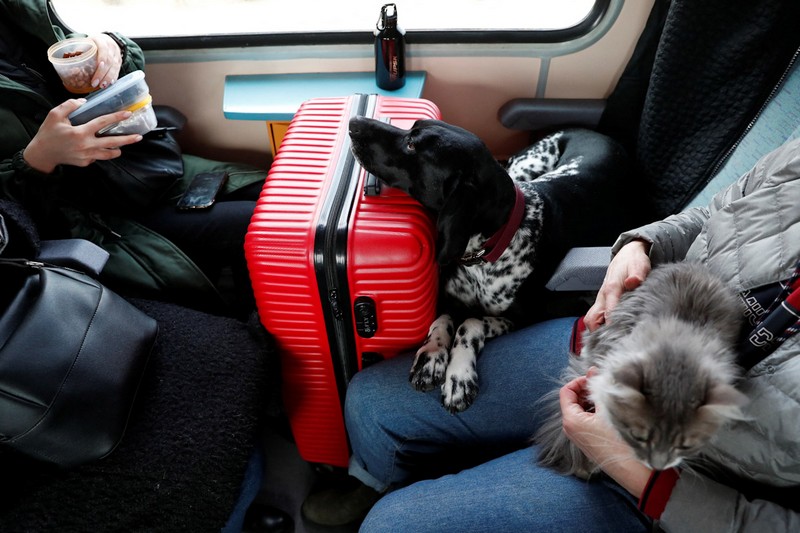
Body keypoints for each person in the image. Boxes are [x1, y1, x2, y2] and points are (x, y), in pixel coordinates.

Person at [301, 136, 800, 530]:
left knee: (391, 527)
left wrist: (646, 479)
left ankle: (424, 497)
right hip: (631, 340)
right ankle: (387, 482)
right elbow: (718, 214)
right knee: (369, 403)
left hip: (692, 478)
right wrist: (641, 244)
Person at [0, 0, 266, 317]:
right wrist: (37, 159)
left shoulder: (18, 12)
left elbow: (87, 66)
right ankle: (272, 333)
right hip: (83, 215)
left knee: (280, 196)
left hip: (132, 166)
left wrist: (114, 50)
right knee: (264, 226)